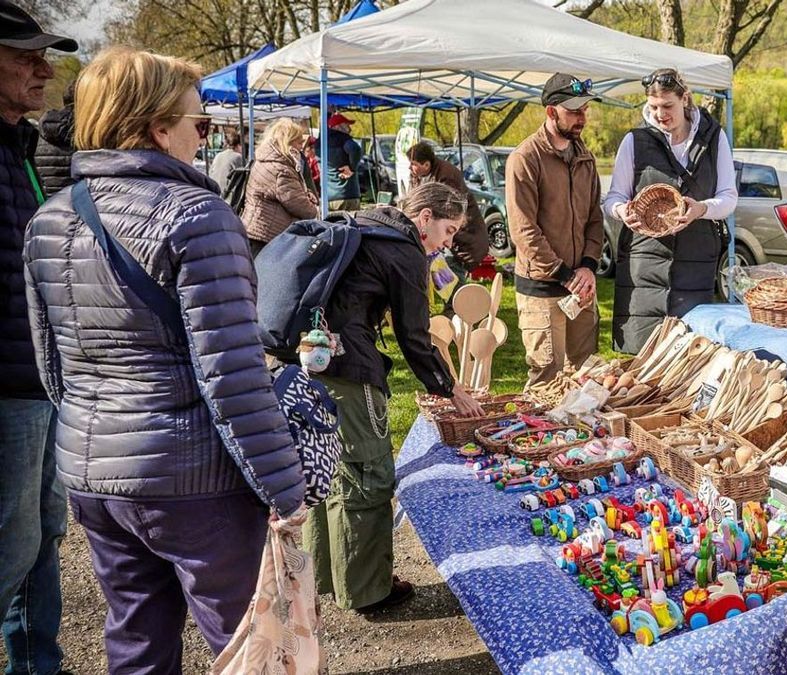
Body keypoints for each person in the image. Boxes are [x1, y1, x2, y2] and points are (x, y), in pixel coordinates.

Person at [23, 47, 306, 673]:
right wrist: (287, 489)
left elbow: (54, 367)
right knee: (248, 647)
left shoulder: (50, 217)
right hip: (191, 477)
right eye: (199, 123)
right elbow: (233, 376)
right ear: (157, 128)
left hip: (96, 472)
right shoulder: (197, 215)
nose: (202, 136)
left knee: (136, 642)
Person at [300, 181, 483, 612]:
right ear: (424, 219)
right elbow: (415, 337)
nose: (448, 241)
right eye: (449, 230)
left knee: (329, 470)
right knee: (367, 474)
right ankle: (367, 589)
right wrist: (449, 388)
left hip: (312, 360)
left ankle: (326, 576)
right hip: (347, 370)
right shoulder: (402, 249)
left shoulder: (367, 221)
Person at [0, 4, 76, 672]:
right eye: (25, 55)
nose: (42, 69)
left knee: (43, 537)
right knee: (10, 545)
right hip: (9, 391)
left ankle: (38, 663)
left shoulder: (19, 144)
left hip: (39, 382)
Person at [604, 68, 738, 354]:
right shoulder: (635, 141)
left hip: (696, 263)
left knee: (688, 359)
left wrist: (701, 208)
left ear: (685, 99)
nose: (660, 114)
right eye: (653, 107)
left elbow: (728, 197)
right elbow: (613, 196)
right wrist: (620, 211)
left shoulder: (714, 139)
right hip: (643, 264)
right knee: (641, 359)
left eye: (667, 106)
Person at [506, 73, 604, 387]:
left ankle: (582, 438)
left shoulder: (585, 157)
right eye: (574, 111)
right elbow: (524, 230)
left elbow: (594, 218)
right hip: (543, 290)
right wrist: (564, 274)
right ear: (551, 112)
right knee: (547, 377)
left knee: (586, 375)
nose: (582, 118)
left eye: (585, 110)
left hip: (582, 288)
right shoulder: (525, 158)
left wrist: (588, 267)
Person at [242, 118, 318, 256]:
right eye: (299, 142)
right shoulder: (281, 169)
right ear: (287, 142)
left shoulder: (267, 161)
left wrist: (305, 194)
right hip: (266, 235)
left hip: (257, 229)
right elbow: (298, 205)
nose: (302, 146)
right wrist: (313, 208)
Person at [407, 140, 488, 269]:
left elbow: (445, 214)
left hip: (463, 241)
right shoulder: (427, 174)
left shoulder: (446, 177)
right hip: (454, 239)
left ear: (426, 164)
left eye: (413, 164)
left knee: (451, 281)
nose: (410, 168)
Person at [320, 112, 362, 211]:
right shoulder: (344, 139)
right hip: (347, 195)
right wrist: (352, 168)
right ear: (338, 126)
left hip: (327, 197)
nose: (350, 129)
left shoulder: (319, 142)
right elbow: (355, 149)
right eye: (347, 125)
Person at [208, 130, 244, 196]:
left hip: (213, 192)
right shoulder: (238, 157)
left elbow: (211, 173)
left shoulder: (218, 155)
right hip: (227, 196)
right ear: (239, 145)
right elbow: (243, 179)